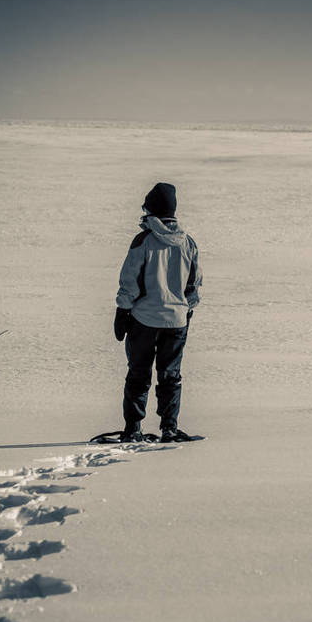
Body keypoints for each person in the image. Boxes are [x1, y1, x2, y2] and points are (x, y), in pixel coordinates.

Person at [114, 182, 202, 443]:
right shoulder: (188, 242)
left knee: (138, 374)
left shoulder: (143, 240)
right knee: (170, 376)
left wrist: (122, 311)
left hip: (144, 320)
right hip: (176, 321)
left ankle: (132, 429)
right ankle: (169, 428)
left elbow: (129, 280)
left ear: (152, 210)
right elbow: (194, 284)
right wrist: (187, 310)